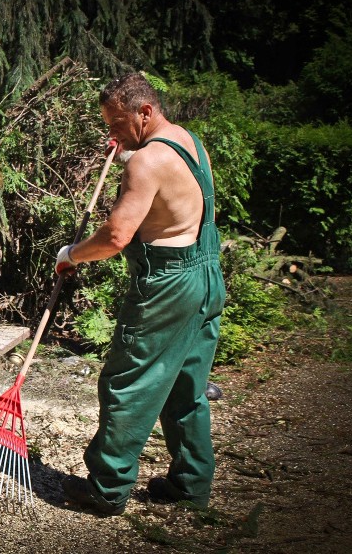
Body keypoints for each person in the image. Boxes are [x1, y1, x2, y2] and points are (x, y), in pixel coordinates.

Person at [54, 73, 226, 515]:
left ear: (144, 112)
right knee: (185, 387)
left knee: (127, 384)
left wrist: (71, 254)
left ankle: (106, 489)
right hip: (206, 275)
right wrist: (127, 145)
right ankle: (190, 485)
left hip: (168, 284)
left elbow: (115, 237)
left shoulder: (146, 161)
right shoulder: (189, 142)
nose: (111, 135)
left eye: (116, 124)